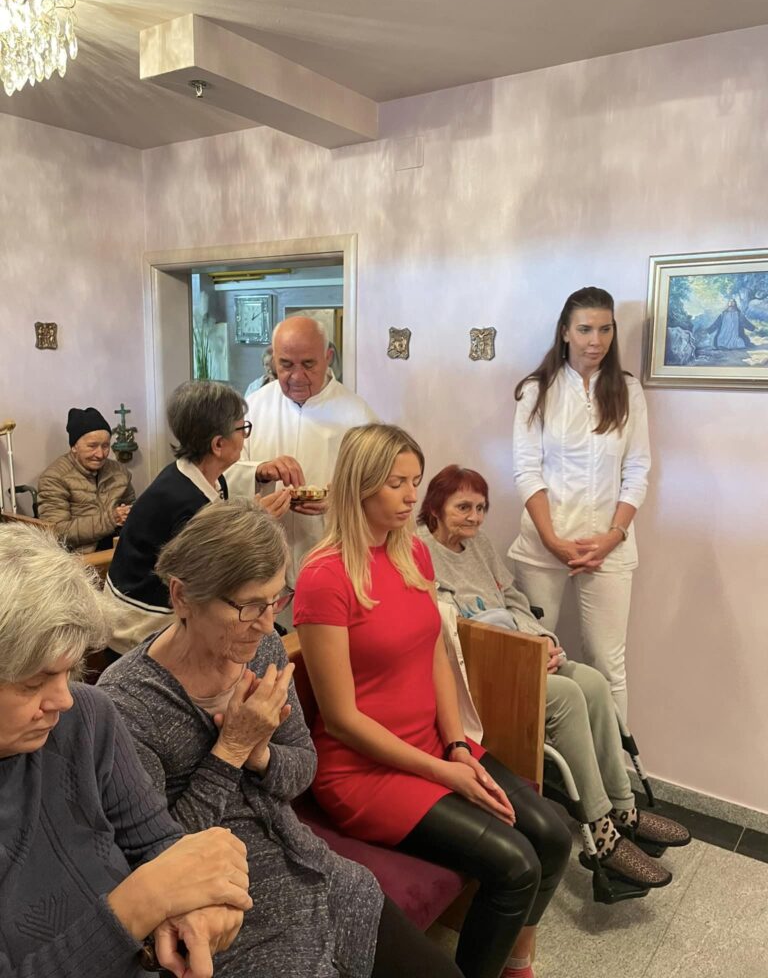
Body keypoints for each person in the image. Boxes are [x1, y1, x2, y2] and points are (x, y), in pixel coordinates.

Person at [98, 498, 463, 978]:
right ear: (182, 596)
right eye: (249, 606)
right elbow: (156, 861)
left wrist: (261, 756)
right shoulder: (127, 703)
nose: (269, 623)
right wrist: (228, 752)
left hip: (313, 867)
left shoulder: (262, 647)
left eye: (275, 600)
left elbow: (302, 770)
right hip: (229, 912)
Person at [294, 424, 572, 978]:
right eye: (395, 483)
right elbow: (342, 720)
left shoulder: (413, 554)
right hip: (363, 771)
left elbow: (437, 656)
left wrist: (457, 746)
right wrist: (445, 774)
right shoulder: (324, 576)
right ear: (359, 484)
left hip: (432, 744)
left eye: (414, 482)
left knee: (552, 835)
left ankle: (515, 964)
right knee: (515, 865)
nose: (410, 496)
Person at [418, 465, 690, 890]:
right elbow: (451, 628)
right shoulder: (420, 552)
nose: (475, 517)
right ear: (435, 507)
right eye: (463, 507)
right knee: (566, 695)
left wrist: (541, 639)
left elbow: (513, 599)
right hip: (482, 667)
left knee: (594, 683)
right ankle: (600, 831)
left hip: (520, 648)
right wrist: (521, 648)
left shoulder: (479, 545)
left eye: (481, 508)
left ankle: (623, 806)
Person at [0, 523, 252, 978]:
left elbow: (157, 843)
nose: (63, 699)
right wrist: (140, 904)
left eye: (69, 671)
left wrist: (198, 911)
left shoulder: (87, 719)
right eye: (35, 682)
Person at [509, 287, 651, 719]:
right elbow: (526, 471)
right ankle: (536, 752)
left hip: (608, 548)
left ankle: (614, 759)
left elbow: (637, 469)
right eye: (586, 329)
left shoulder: (627, 390)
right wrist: (551, 539)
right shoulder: (537, 390)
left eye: (605, 329)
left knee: (608, 665)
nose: (596, 340)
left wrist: (613, 535)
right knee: (533, 656)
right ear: (565, 332)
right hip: (543, 545)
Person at [104, 380, 291, 653]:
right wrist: (257, 524)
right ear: (218, 444)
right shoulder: (182, 500)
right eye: (242, 429)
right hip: (140, 627)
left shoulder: (200, 477)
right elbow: (212, 574)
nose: (244, 436)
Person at [226, 316, 378, 579]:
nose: (296, 376)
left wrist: (341, 501)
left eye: (308, 364)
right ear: (273, 359)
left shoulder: (358, 415)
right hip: (263, 557)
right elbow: (222, 472)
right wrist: (259, 471)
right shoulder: (253, 407)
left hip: (332, 557)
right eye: (286, 365)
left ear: (328, 357)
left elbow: (380, 488)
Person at [38, 407, 134, 552]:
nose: (100, 454)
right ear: (74, 447)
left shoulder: (119, 471)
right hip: (80, 557)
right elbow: (57, 532)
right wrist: (111, 519)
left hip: (120, 549)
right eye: (92, 446)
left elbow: (133, 509)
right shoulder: (54, 478)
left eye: (105, 446)